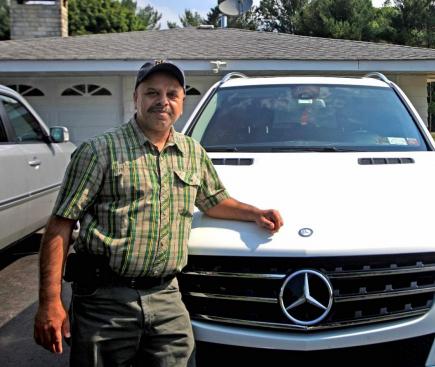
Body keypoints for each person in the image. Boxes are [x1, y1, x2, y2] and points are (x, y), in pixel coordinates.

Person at [33, 59, 284, 366]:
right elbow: (60, 225)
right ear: (136, 98)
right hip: (105, 302)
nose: (162, 101)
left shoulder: (192, 152)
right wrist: (50, 302)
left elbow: (213, 201)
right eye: (152, 93)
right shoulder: (99, 151)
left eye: (172, 94)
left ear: (181, 102)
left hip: (168, 299)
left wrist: (255, 213)